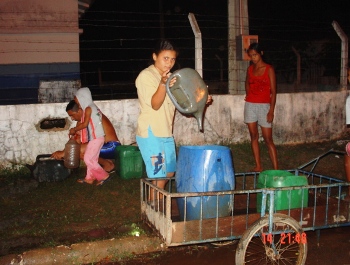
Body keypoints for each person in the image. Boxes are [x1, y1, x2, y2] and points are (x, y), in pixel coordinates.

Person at [135, 39, 212, 196]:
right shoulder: (146, 76)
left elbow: (183, 106)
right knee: (159, 176)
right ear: (155, 56)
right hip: (151, 133)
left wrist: (201, 100)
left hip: (166, 133)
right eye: (165, 58)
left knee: (169, 172)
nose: (169, 63)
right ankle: (154, 208)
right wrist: (163, 84)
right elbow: (155, 104)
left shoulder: (171, 78)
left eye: (172, 59)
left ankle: (155, 204)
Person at [51, 100, 120, 173]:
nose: (72, 118)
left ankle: (107, 165)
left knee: (77, 150)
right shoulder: (81, 122)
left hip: (111, 147)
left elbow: (76, 148)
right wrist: (63, 152)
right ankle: (106, 163)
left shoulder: (92, 117)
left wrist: (64, 153)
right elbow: (75, 141)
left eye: (72, 115)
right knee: (78, 152)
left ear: (79, 111)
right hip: (102, 146)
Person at [244, 42, 278, 172]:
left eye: (255, 55)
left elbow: (274, 91)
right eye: (251, 55)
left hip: (264, 107)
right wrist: (249, 95)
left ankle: (276, 169)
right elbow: (246, 83)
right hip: (250, 105)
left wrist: (271, 111)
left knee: (268, 139)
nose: (253, 58)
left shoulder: (269, 69)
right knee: (253, 136)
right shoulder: (250, 69)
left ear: (261, 53)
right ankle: (258, 165)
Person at [69, 87, 110, 185]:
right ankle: (89, 178)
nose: (77, 103)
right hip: (98, 137)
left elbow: (85, 124)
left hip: (96, 138)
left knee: (87, 159)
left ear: (83, 97)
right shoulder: (93, 107)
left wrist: (74, 129)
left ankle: (104, 175)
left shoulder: (88, 108)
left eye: (77, 100)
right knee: (93, 159)